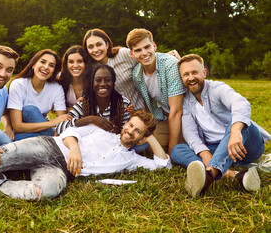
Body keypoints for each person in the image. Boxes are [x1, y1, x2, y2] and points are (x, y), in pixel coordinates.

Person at [0, 110, 171, 202]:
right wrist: (74, 147)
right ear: (125, 123)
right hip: (47, 147)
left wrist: (150, 139)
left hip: (60, 172)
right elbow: (69, 130)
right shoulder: (102, 131)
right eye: (130, 125)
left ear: (143, 136)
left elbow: (163, 165)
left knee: (46, 191)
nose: (130, 131)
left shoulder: (134, 160)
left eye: (137, 132)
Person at [170, 54, 271, 197]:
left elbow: (241, 103)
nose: (190, 77)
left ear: (204, 73)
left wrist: (235, 130)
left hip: (245, 146)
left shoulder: (217, 88)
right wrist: (203, 152)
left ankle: (208, 176)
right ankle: (234, 175)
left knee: (241, 124)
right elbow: (189, 131)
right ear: (182, 78)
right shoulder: (185, 100)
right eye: (186, 74)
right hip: (216, 148)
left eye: (194, 72)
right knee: (178, 150)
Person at [126, 28, 185, 154]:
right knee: (148, 149)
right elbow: (149, 103)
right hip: (164, 117)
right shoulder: (137, 74)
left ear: (154, 46)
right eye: (138, 50)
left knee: (179, 151)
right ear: (132, 54)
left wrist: (171, 150)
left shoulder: (170, 65)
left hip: (186, 117)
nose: (144, 53)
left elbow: (176, 111)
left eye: (147, 47)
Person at [7, 49, 71, 141]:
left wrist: (55, 127)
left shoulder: (56, 88)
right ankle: (53, 142)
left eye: (51, 65)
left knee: (18, 138)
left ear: (54, 71)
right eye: (43, 62)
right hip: (27, 129)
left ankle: (51, 141)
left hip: (36, 131)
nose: (46, 67)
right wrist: (50, 123)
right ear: (33, 65)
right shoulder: (18, 84)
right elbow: (17, 126)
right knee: (30, 110)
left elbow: (62, 121)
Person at [56, 64, 132, 135]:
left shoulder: (123, 103)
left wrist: (118, 131)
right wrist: (91, 119)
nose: (102, 84)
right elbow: (59, 128)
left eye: (108, 80)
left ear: (113, 82)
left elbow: (129, 132)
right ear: (92, 83)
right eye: (98, 80)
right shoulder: (84, 103)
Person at [83, 29, 145, 111]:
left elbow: (148, 59)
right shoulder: (91, 69)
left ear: (107, 45)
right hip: (117, 117)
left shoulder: (123, 54)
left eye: (99, 44)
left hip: (141, 110)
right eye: (90, 47)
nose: (95, 50)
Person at [58, 45, 91, 111]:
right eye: (71, 62)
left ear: (85, 63)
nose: (75, 66)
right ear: (66, 64)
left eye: (80, 61)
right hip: (69, 119)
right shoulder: (60, 80)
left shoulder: (93, 80)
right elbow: (59, 108)